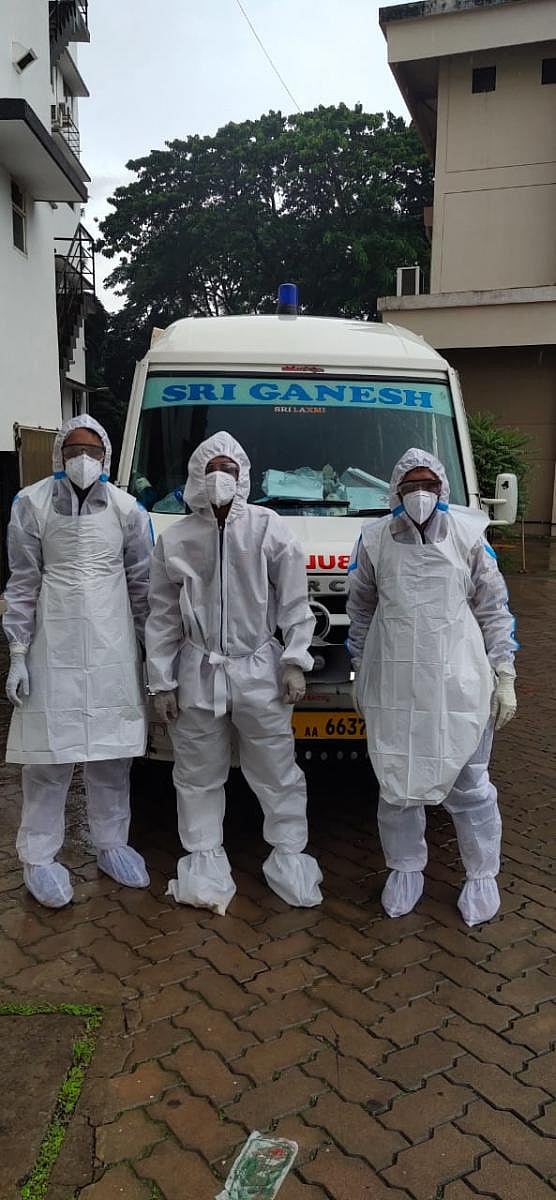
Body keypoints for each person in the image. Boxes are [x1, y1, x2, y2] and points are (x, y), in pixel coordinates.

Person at [145, 430, 322, 915]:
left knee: (277, 770)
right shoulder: (176, 538)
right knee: (197, 772)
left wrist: (294, 661)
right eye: (212, 468)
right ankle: (203, 859)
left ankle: (289, 855)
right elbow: (161, 615)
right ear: (197, 478)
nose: (220, 477)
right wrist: (161, 680)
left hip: (260, 669)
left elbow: (295, 604)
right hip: (197, 670)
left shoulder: (269, 529)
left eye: (229, 468)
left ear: (243, 476)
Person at [347, 448, 518, 927]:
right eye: (410, 486)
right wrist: (359, 670)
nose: (420, 494)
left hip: (458, 681)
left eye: (428, 485)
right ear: (395, 492)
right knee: (397, 781)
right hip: (395, 680)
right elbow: (360, 611)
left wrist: (504, 673)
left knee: (470, 784)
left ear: (443, 489)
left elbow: (494, 608)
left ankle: (482, 874)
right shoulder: (374, 539)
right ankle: (405, 869)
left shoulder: (469, 536)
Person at [3, 415, 153, 908]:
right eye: (73, 449)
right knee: (49, 757)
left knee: (112, 756)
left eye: (91, 450)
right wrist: (18, 653)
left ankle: (111, 844)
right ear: (59, 455)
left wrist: (149, 654)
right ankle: (39, 855)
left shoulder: (129, 510)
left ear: (106, 457)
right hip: (53, 646)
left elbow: (143, 588)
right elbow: (23, 584)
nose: (82, 459)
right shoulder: (31, 504)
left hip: (112, 648)